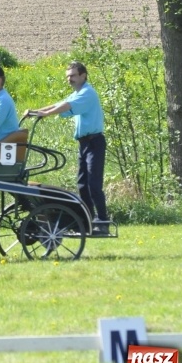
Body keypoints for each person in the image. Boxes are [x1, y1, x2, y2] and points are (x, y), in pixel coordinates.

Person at [25, 61, 110, 235]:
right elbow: (60, 103)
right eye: (67, 76)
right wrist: (35, 111)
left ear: (83, 76)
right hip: (84, 143)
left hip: (95, 143)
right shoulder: (77, 93)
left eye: (72, 75)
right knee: (82, 185)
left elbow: (66, 106)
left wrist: (46, 114)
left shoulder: (87, 93)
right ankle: (87, 221)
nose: (69, 79)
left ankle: (102, 222)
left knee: (94, 184)